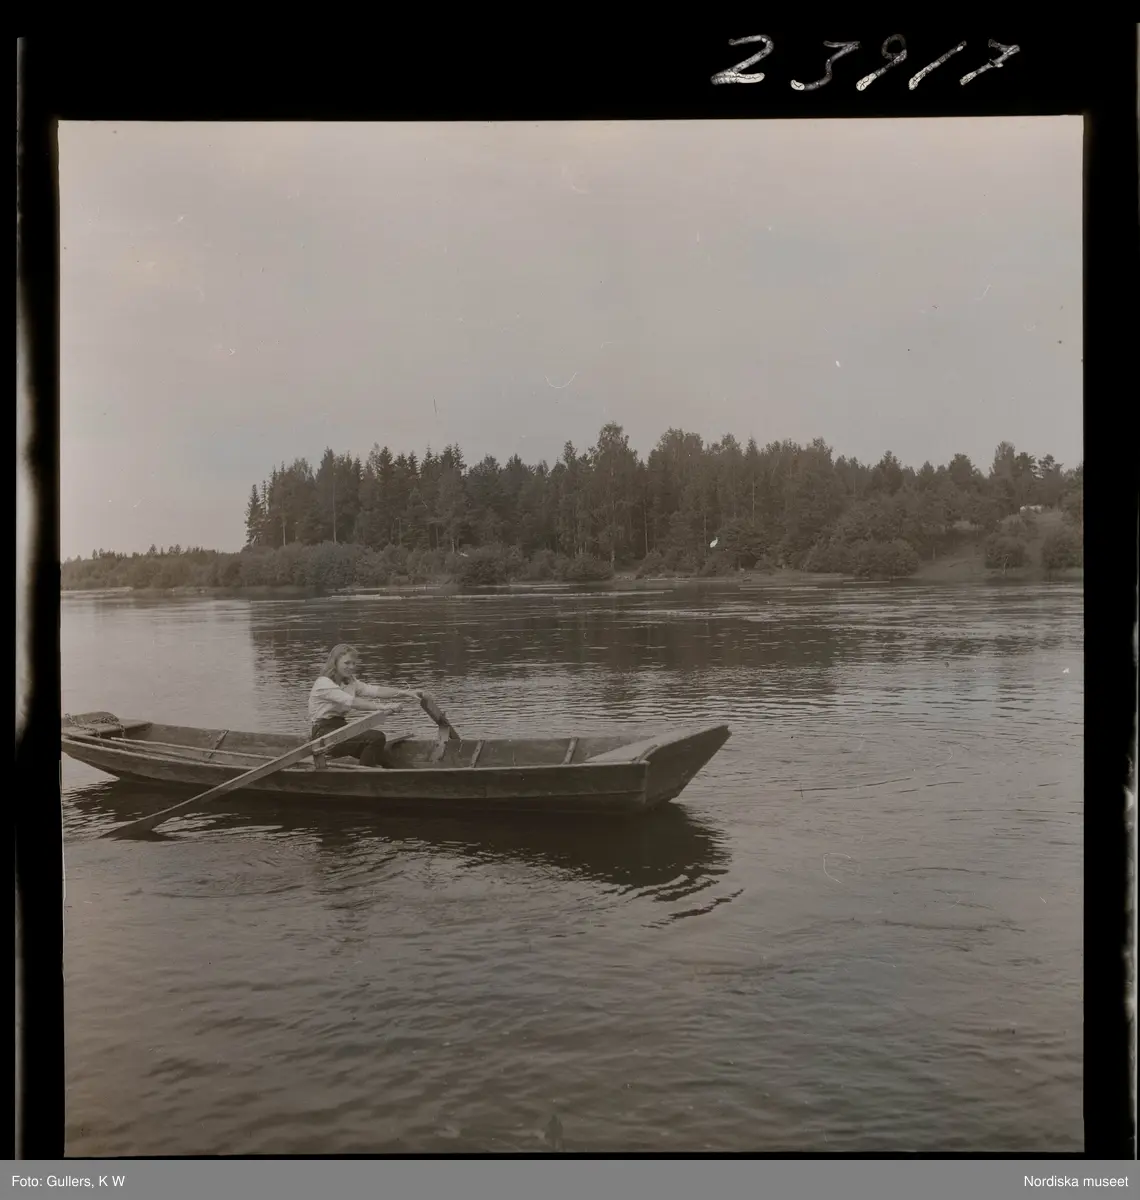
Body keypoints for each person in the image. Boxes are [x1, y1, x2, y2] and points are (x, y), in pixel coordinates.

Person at [308, 643, 421, 768]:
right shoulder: (324, 683)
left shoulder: (350, 682)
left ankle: (385, 771)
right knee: (376, 738)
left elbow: (375, 690)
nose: (351, 667)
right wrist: (383, 707)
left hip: (341, 728)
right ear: (335, 663)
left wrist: (405, 692)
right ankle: (365, 775)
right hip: (323, 735)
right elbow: (352, 702)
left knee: (388, 759)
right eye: (347, 663)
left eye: (354, 663)